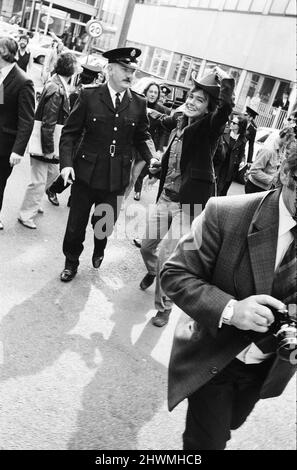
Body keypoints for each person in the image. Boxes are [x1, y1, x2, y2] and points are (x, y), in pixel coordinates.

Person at [160, 143, 297, 450]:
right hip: (216, 358)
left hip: (268, 368)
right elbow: (174, 274)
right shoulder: (225, 213)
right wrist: (232, 310)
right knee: (207, 442)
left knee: (230, 423)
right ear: (287, 174)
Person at [139, 66, 235, 327]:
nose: (192, 102)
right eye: (191, 97)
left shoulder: (209, 128)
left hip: (188, 205)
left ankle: (164, 307)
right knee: (147, 247)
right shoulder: (180, 120)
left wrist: (226, 79)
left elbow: (226, 108)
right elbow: (161, 123)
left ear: (208, 108)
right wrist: (159, 166)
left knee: (168, 257)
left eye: (200, 100)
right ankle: (153, 272)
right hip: (166, 197)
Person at [58, 47, 158, 282]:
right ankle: (71, 262)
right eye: (125, 69)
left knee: (104, 224)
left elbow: (142, 136)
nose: (130, 75)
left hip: (116, 178)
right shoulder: (89, 95)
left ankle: (100, 247)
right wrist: (65, 164)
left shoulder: (138, 103)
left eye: (132, 70)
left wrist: (152, 157)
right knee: (75, 226)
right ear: (110, 69)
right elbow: (70, 134)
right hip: (86, 174)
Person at [18, 52, 77, 229]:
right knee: (38, 181)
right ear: (69, 67)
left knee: (52, 175)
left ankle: (34, 204)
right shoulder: (57, 89)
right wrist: (49, 148)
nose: (78, 67)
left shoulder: (58, 84)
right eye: (75, 64)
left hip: (50, 141)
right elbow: (48, 122)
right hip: (46, 142)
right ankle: (26, 214)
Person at [46, 63, 105, 207]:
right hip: (77, 137)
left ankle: (72, 197)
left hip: (88, 137)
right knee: (75, 168)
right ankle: (54, 189)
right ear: (94, 78)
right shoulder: (78, 94)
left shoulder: (88, 93)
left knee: (80, 169)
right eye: (97, 78)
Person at [0, 36, 35, 230]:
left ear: (3, 53)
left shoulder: (23, 81)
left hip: (5, 145)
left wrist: (18, 150)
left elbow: (27, 119)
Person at [134, 81, 170, 201]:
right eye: (151, 91)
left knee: (141, 170)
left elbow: (164, 132)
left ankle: (137, 190)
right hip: (134, 143)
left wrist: (160, 149)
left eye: (155, 92)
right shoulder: (139, 104)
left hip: (150, 144)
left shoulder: (162, 110)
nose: (153, 94)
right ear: (146, 92)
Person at [245, 127, 295, 194]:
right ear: (286, 136)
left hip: (266, 189)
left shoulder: (282, 149)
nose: (290, 143)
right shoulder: (268, 150)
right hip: (254, 188)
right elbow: (254, 171)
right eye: (291, 141)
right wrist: (273, 180)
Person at [216, 113, 247, 196]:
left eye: (234, 123)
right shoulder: (224, 132)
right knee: (215, 188)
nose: (231, 124)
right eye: (231, 122)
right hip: (219, 165)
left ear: (240, 126)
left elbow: (241, 154)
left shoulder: (242, 140)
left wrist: (241, 162)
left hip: (230, 168)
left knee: (223, 191)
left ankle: (218, 207)